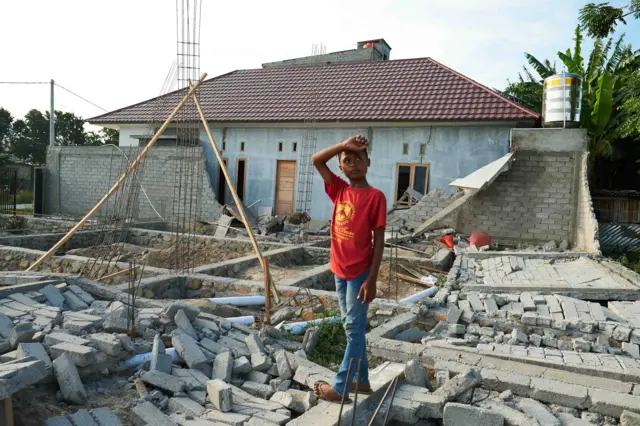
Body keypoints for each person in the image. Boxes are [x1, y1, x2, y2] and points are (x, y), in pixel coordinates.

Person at [311, 135, 387, 402]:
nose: (353, 164)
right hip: (339, 270)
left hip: (360, 274)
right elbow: (316, 160)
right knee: (350, 328)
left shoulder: (375, 197)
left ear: (368, 163)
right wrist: (343, 144)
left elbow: (379, 240)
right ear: (340, 167)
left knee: (354, 329)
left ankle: (341, 387)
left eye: (358, 159)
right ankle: (363, 381)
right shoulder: (339, 190)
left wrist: (373, 279)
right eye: (347, 160)